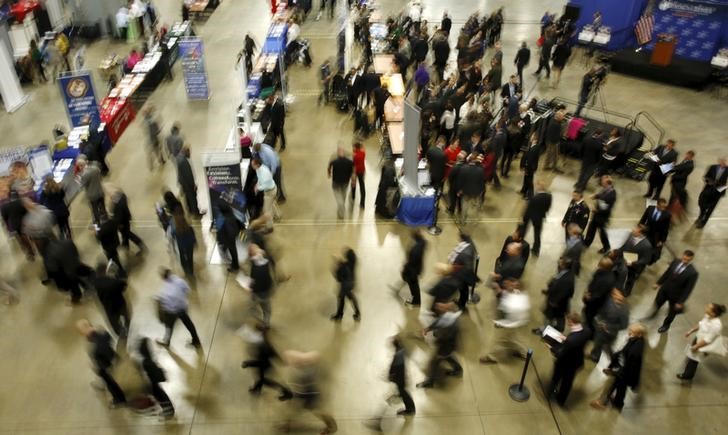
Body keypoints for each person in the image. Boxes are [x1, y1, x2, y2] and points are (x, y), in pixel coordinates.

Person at [590, 323, 646, 411]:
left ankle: (604, 403)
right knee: (619, 388)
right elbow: (623, 353)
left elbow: (629, 364)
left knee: (615, 386)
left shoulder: (636, 350)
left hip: (624, 373)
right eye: (630, 330)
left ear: (639, 334)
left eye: (632, 332)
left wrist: (616, 371)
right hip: (623, 371)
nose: (629, 333)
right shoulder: (637, 340)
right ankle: (616, 403)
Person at [76, 319, 127, 407]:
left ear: (83, 330)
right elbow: (109, 339)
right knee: (111, 380)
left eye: (80, 331)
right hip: (109, 361)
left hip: (105, 366)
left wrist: (105, 365)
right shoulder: (101, 332)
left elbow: (102, 352)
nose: (81, 333)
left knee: (111, 383)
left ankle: (119, 400)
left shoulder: (94, 343)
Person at [645, 250, 699, 333]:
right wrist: (658, 283)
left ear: (691, 259)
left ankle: (666, 325)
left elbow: (688, 289)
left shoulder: (693, 273)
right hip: (665, 289)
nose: (685, 261)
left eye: (688, 260)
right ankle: (654, 313)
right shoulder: (676, 261)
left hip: (676, 296)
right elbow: (667, 273)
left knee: (671, 313)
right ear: (682, 256)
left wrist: (681, 302)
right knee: (658, 302)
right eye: (684, 258)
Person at [479, 279, 530, 364]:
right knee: (513, 338)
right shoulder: (518, 294)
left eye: (514, 285)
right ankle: (524, 353)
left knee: (496, 340)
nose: (512, 286)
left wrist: (499, 324)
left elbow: (506, 310)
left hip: (507, 324)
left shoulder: (516, 300)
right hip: (514, 324)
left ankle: (491, 357)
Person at [548, 313, 591, 407]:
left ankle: (555, 396)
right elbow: (577, 342)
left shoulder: (571, 340)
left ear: (571, 322)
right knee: (568, 382)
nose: (567, 322)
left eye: (568, 321)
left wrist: (551, 347)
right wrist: (566, 338)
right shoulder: (586, 330)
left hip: (566, 363)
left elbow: (560, 353)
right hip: (577, 361)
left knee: (558, 378)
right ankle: (561, 400)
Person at [417, 302, 463, 388]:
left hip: (445, 347)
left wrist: (434, 334)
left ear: (449, 310)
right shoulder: (448, 316)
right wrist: (428, 328)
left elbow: (441, 335)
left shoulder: (452, 325)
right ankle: (458, 370)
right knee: (449, 357)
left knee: (434, 362)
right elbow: (439, 322)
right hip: (447, 346)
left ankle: (430, 381)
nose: (440, 307)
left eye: (444, 307)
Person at [241, 322, 292, 399]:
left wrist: (248, 363)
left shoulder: (263, 343)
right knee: (262, 380)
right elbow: (271, 353)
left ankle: (286, 392)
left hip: (263, 365)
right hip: (262, 365)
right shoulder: (262, 342)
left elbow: (268, 354)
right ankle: (256, 391)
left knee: (263, 380)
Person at [677, 303, 726, 381]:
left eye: (708, 308)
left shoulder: (716, 326)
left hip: (704, 344)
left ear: (713, 313)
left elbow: (708, 340)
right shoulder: (708, 316)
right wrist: (691, 331)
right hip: (698, 338)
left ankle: (687, 375)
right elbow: (701, 324)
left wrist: (696, 346)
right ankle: (690, 360)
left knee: (694, 359)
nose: (706, 308)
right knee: (692, 355)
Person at [155, 268, 201, 348]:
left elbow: (164, 305)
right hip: (183, 308)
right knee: (189, 324)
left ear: (163, 278)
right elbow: (187, 290)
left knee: (169, 326)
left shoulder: (164, 291)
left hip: (172, 312)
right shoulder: (180, 281)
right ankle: (196, 340)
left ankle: (166, 341)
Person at [90, 262, 131, 338]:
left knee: (114, 323)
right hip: (119, 303)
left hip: (108, 307)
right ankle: (127, 324)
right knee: (126, 315)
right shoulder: (113, 282)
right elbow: (124, 285)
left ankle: (121, 334)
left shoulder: (95, 283)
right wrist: (115, 276)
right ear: (105, 270)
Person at [534, 257, 575, 334]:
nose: (558, 263)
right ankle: (550, 328)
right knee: (555, 316)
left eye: (560, 263)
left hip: (556, 303)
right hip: (555, 301)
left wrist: (554, 301)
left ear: (564, 266)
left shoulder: (568, 280)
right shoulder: (564, 272)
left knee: (549, 317)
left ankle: (545, 330)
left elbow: (566, 292)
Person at [589, 289, 629, 363]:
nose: (614, 295)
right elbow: (601, 309)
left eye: (616, 294)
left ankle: (614, 362)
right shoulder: (609, 300)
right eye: (613, 293)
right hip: (600, 328)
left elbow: (624, 325)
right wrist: (598, 318)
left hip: (609, 333)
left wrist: (608, 326)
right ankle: (594, 355)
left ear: (622, 296)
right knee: (597, 342)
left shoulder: (624, 310)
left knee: (607, 347)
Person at [137, 337, 175, 417]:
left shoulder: (146, 362)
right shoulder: (149, 359)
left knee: (159, 396)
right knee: (160, 394)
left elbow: (146, 374)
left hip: (153, 382)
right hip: (154, 382)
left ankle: (168, 410)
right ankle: (168, 409)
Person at [583, 257, 616, 333]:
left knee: (590, 316)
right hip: (591, 296)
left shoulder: (608, 280)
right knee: (586, 312)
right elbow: (593, 281)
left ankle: (591, 331)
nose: (598, 267)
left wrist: (589, 298)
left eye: (600, 266)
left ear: (606, 268)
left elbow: (599, 294)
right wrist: (588, 290)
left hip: (596, 302)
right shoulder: (600, 271)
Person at [584, 175, 616, 254]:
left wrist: (596, 210)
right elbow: (601, 194)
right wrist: (596, 196)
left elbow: (606, 209)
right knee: (591, 229)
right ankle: (586, 243)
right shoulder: (606, 189)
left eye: (602, 181)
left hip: (602, 217)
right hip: (597, 215)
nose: (600, 182)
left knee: (602, 233)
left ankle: (606, 247)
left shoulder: (611, 195)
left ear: (607, 183)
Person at [244, 244, 274, 325]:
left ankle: (254, 311)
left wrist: (249, 287)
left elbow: (253, 280)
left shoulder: (255, 267)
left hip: (258, 292)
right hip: (266, 290)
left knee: (255, 302)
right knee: (267, 308)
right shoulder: (265, 263)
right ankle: (266, 323)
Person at [385, 336, 416, 416]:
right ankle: (409, 407)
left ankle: (410, 410)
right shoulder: (401, 350)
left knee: (403, 392)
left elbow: (395, 367)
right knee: (402, 391)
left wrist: (390, 375)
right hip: (401, 376)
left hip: (400, 377)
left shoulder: (398, 355)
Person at [111, 189, 147, 256]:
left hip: (122, 223)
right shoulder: (122, 198)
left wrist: (117, 224)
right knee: (125, 235)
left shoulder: (118, 205)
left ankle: (140, 244)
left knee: (128, 234)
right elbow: (126, 210)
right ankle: (126, 247)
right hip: (126, 220)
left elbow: (119, 216)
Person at [620, 225, 653, 296]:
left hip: (634, 266)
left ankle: (627, 292)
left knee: (630, 279)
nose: (633, 230)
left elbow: (646, 259)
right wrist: (619, 251)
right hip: (625, 259)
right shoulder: (630, 235)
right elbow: (625, 245)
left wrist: (634, 263)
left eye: (636, 229)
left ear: (641, 234)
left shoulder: (647, 245)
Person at [522, 180, 552, 256]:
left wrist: (524, 217)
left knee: (523, 230)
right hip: (539, 218)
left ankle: (520, 243)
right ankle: (536, 250)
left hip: (530, 216)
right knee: (537, 234)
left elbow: (528, 209)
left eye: (537, 185)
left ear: (539, 187)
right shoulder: (549, 196)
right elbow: (548, 207)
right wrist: (543, 214)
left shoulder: (534, 197)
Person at [696, 157, 727, 228]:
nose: (723, 163)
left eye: (724, 162)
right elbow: (705, 176)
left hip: (718, 192)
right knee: (701, 203)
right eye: (722, 161)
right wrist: (708, 181)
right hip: (708, 189)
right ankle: (701, 215)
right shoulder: (712, 167)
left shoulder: (727, 169)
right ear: (719, 161)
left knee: (711, 208)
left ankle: (703, 223)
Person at [330, 248, 360, 321]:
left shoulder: (344, 266)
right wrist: (340, 262)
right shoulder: (353, 263)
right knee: (351, 298)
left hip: (345, 285)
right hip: (351, 283)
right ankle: (357, 313)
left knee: (341, 299)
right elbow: (345, 264)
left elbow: (338, 277)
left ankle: (339, 315)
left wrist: (335, 266)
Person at [639, 198, 671, 264]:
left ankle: (649, 261)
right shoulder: (650, 208)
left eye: (664, 207)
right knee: (642, 245)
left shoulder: (667, 215)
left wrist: (662, 241)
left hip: (656, 235)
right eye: (662, 207)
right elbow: (643, 218)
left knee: (653, 249)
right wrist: (640, 225)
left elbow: (666, 229)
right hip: (646, 231)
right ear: (657, 205)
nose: (663, 209)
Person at [251, 157, 280, 231]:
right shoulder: (258, 169)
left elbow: (265, 185)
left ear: (257, 165)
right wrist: (257, 184)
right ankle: (278, 215)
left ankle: (269, 227)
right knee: (272, 203)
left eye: (253, 165)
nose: (252, 166)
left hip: (270, 191)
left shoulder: (265, 173)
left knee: (266, 210)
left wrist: (258, 188)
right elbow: (259, 179)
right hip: (269, 190)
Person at [400, 229, 427, 306]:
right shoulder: (423, 242)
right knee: (415, 285)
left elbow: (412, 261)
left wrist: (405, 267)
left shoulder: (415, 249)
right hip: (418, 268)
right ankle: (417, 300)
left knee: (413, 286)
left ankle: (416, 302)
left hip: (412, 271)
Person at [176, 146, 204, 218]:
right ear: (186, 151)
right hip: (188, 184)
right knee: (193, 198)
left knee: (187, 198)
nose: (190, 155)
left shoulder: (179, 157)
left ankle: (190, 211)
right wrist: (193, 185)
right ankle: (196, 213)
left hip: (183, 183)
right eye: (189, 153)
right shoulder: (184, 161)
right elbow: (188, 175)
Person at [457, 154, 486, 225]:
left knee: (464, 206)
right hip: (476, 192)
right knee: (476, 207)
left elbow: (460, 181)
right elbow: (482, 182)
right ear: (475, 160)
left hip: (466, 191)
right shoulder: (480, 170)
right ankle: (475, 221)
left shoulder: (463, 168)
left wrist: (459, 190)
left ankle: (463, 221)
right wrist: (482, 191)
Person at [77, 157, 107, 225]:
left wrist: (79, 179)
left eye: (79, 166)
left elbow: (81, 186)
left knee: (95, 210)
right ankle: (106, 219)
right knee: (103, 207)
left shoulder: (85, 174)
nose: (79, 168)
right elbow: (100, 178)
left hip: (92, 196)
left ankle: (98, 224)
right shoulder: (95, 168)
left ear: (81, 165)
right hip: (100, 192)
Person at [327, 147, 354, 219]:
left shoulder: (334, 161)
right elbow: (352, 172)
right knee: (343, 196)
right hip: (345, 182)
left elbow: (329, 167)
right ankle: (341, 210)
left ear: (338, 154)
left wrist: (329, 174)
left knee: (339, 198)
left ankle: (341, 211)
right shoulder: (350, 162)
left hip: (336, 183)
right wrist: (353, 180)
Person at [668, 150, 695, 220]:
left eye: (688, 156)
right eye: (686, 154)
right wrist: (673, 167)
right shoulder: (685, 160)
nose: (686, 156)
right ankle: (670, 206)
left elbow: (683, 176)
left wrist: (673, 175)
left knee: (675, 195)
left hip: (680, 182)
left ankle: (679, 208)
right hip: (675, 181)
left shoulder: (690, 165)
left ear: (691, 157)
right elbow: (679, 167)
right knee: (672, 194)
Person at [170, 210, 196, 277]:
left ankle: (186, 271)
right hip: (190, 246)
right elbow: (193, 237)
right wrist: (195, 243)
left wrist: (173, 247)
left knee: (182, 258)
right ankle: (191, 271)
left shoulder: (175, 230)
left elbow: (172, 238)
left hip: (181, 246)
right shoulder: (189, 228)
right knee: (190, 258)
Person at [217, 203, 242, 272]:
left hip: (230, 239)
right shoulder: (230, 214)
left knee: (233, 252)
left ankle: (235, 266)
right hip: (231, 238)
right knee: (233, 251)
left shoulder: (226, 219)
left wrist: (224, 239)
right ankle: (235, 264)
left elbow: (229, 232)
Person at [520, 132, 540, 199]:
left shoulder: (534, 149)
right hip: (530, 167)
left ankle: (530, 196)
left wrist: (526, 169)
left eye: (532, 137)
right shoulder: (533, 146)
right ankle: (523, 191)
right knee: (526, 180)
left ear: (535, 139)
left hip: (530, 168)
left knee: (529, 181)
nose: (531, 137)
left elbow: (530, 160)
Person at [350, 142, 366, 209]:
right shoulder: (363, 153)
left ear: (355, 148)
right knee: (362, 186)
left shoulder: (354, 155)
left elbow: (353, 164)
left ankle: (353, 197)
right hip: (362, 171)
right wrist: (361, 145)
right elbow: (363, 149)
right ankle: (362, 203)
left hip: (355, 172)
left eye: (353, 147)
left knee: (353, 184)